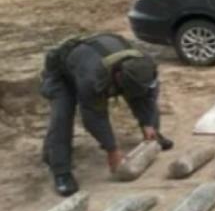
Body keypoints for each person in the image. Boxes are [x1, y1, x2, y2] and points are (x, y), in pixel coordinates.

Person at [41, 33, 172, 197]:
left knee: (140, 99)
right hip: (62, 73)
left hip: (95, 65)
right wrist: (112, 149)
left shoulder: (145, 66)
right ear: (117, 77)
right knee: (62, 116)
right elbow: (93, 117)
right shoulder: (93, 78)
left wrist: (149, 123)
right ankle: (61, 170)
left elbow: (147, 96)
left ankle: (153, 134)